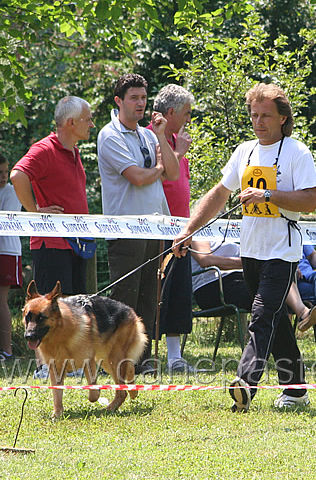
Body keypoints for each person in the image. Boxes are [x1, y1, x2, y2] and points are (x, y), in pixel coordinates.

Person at [173, 82, 316, 412]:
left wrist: (268, 195)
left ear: (283, 118)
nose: (258, 122)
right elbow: (218, 195)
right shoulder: (245, 151)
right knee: (277, 319)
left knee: (262, 314)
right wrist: (188, 230)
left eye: (266, 115)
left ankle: (246, 383)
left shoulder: (297, 152)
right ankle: (295, 391)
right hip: (250, 253)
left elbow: (310, 199)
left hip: (282, 252)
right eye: (254, 115)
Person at [97, 73, 179, 373]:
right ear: (119, 101)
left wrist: (159, 136)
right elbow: (138, 177)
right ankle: (117, 362)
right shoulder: (109, 135)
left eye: (144, 98)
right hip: (125, 229)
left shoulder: (147, 135)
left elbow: (172, 173)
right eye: (134, 98)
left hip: (155, 228)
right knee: (124, 300)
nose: (140, 103)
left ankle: (142, 363)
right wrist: (157, 166)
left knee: (148, 300)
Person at [11, 96, 95, 378]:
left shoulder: (74, 151)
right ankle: (44, 368)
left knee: (72, 308)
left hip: (76, 244)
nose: (92, 124)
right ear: (71, 123)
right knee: (44, 311)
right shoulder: (44, 149)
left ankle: (68, 365)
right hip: (51, 244)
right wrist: (35, 211)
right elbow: (17, 174)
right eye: (88, 119)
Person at [147, 84, 196, 373]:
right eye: (186, 113)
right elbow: (164, 174)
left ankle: (175, 357)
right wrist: (177, 152)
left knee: (179, 291)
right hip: (158, 227)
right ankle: (146, 356)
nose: (189, 118)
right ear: (171, 112)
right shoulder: (151, 137)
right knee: (156, 293)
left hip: (182, 227)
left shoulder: (178, 140)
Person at [0, 154, 22, 361]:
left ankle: (7, 351)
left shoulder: (12, 191)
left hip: (6, 250)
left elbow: (7, 221)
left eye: (5, 172)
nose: (3, 176)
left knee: (1, 300)